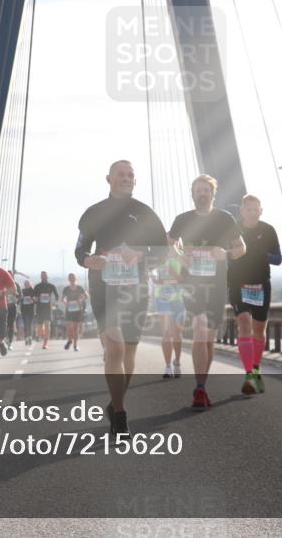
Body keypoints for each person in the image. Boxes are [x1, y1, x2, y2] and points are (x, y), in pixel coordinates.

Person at [76, 159, 167, 436]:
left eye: (130, 175)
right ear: (109, 179)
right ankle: (120, 415)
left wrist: (140, 255)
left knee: (128, 354)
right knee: (114, 348)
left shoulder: (145, 213)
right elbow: (80, 249)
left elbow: (163, 252)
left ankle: (115, 403)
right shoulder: (93, 212)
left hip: (135, 288)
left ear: (134, 181)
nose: (126, 178)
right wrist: (88, 260)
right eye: (120, 174)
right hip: (104, 286)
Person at [168, 174, 246, 410]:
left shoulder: (225, 218)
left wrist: (227, 254)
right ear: (192, 194)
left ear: (213, 194)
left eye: (206, 190)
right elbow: (168, 244)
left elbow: (241, 248)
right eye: (198, 190)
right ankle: (200, 389)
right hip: (192, 285)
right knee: (200, 328)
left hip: (216, 285)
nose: (202, 194)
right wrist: (179, 258)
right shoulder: (182, 219)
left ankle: (202, 382)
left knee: (208, 339)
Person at [228, 194, 282, 394]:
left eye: (255, 209)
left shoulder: (268, 230)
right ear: (241, 211)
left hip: (260, 285)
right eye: (248, 209)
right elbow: (225, 253)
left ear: (261, 211)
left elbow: (278, 259)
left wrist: (263, 254)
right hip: (237, 283)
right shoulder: (232, 229)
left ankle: (257, 369)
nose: (251, 212)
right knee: (243, 322)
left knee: (258, 330)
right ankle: (249, 374)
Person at [154, 255, 186, 379]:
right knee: (166, 333)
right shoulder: (158, 255)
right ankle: (168, 367)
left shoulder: (180, 254)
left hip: (178, 298)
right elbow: (154, 276)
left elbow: (185, 278)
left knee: (177, 333)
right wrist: (154, 278)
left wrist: (172, 271)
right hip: (162, 298)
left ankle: (177, 362)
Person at [61, 273, 88, 351]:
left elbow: (86, 296)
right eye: (70, 278)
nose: (72, 279)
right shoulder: (66, 289)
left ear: (76, 279)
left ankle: (75, 346)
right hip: (69, 310)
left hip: (78, 310)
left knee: (76, 329)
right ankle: (70, 340)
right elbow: (62, 299)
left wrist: (80, 300)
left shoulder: (79, 288)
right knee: (69, 328)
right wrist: (66, 303)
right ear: (69, 279)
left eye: (73, 278)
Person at [32, 271, 58, 349]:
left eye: (45, 276)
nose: (44, 277)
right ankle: (42, 334)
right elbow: (33, 297)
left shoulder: (51, 286)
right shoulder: (37, 286)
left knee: (47, 325)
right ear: (41, 277)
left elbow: (57, 296)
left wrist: (54, 303)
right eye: (42, 276)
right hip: (39, 308)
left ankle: (45, 343)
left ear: (47, 277)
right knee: (40, 327)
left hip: (48, 308)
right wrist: (35, 299)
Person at [4, 274, 19, 351]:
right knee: (4, 325)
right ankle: (5, 339)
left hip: (12, 308)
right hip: (3, 308)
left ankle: (10, 342)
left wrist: (17, 297)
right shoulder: (2, 284)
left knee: (11, 325)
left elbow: (19, 295)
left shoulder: (15, 285)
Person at [19, 279, 36, 346]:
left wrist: (33, 300)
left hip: (31, 310)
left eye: (27, 283)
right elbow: (19, 300)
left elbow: (36, 300)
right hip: (24, 310)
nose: (26, 285)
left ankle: (30, 337)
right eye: (25, 284)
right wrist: (21, 298)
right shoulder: (22, 291)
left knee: (30, 324)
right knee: (26, 324)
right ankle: (26, 338)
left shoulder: (33, 291)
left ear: (30, 284)